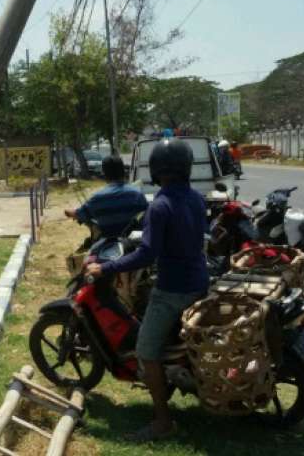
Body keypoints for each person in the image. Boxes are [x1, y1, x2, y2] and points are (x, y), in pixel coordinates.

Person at [85, 138, 209, 441]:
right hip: (199, 281)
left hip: (173, 290)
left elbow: (147, 254)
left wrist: (106, 268)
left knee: (145, 351)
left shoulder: (160, 205)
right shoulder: (195, 198)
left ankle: (163, 421)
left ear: (155, 169)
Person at [64, 156, 147, 238]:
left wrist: (68, 211)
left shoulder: (97, 198)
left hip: (108, 244)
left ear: (104, 174)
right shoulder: (137, 194)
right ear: (123, 171)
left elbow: (79, 214)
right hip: (133, 244)